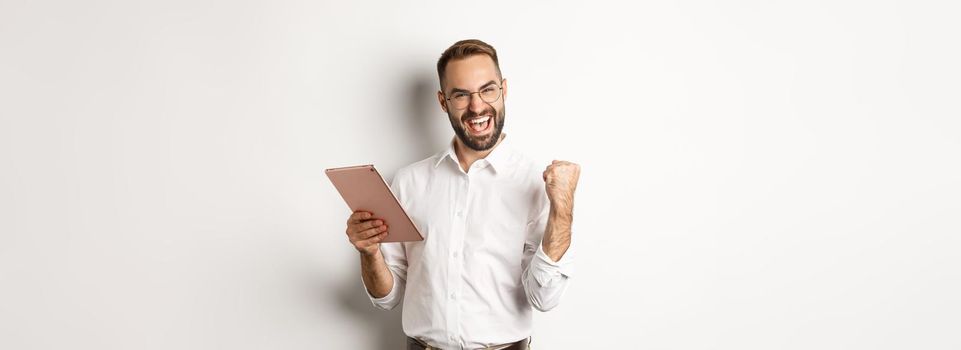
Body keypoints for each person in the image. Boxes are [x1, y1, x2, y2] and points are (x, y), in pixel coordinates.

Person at [344, 39, 580, 350]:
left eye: (488, 90)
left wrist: (562, 210)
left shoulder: (536, 183)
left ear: (504, 90)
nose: (477, 106)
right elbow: (386, 298)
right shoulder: (408, 182)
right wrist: (369, 253)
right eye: (461, 95)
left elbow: (544, 298)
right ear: (443, 101)